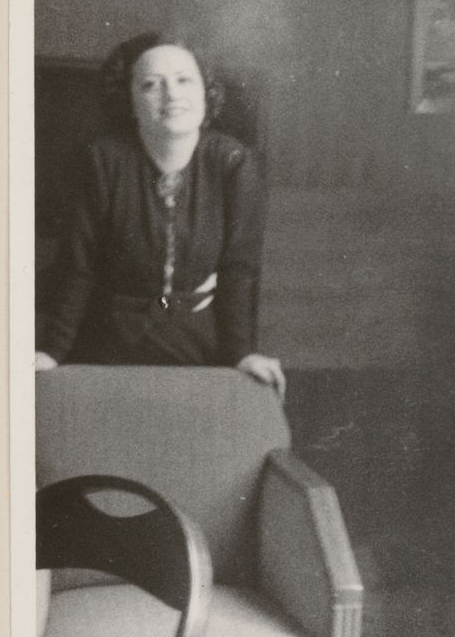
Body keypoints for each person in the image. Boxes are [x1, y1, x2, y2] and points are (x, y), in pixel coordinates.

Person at [34, 33, 285, 397]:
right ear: (130, 99)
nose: (172, 95)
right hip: (107, 338)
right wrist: (52, 351)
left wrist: (241, 353)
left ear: (205, 91)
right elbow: (78, 264)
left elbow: (238, 269)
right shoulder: (102, 160)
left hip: (200, 342)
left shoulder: (233, 162)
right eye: (152, 84)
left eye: (185, 80)